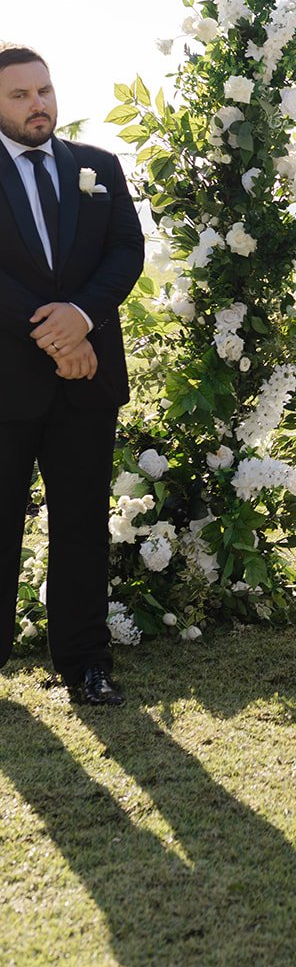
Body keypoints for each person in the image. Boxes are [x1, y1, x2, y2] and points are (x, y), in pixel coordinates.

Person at [0, 44, 145, 704]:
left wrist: (82, 316)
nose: (39, 105)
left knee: (82, 521)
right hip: (8, 380)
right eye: (21, 96)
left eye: (45, 91)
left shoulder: (97, 165)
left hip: (87, 379)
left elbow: (126, 250)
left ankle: (85, 663)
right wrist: (55, 332)